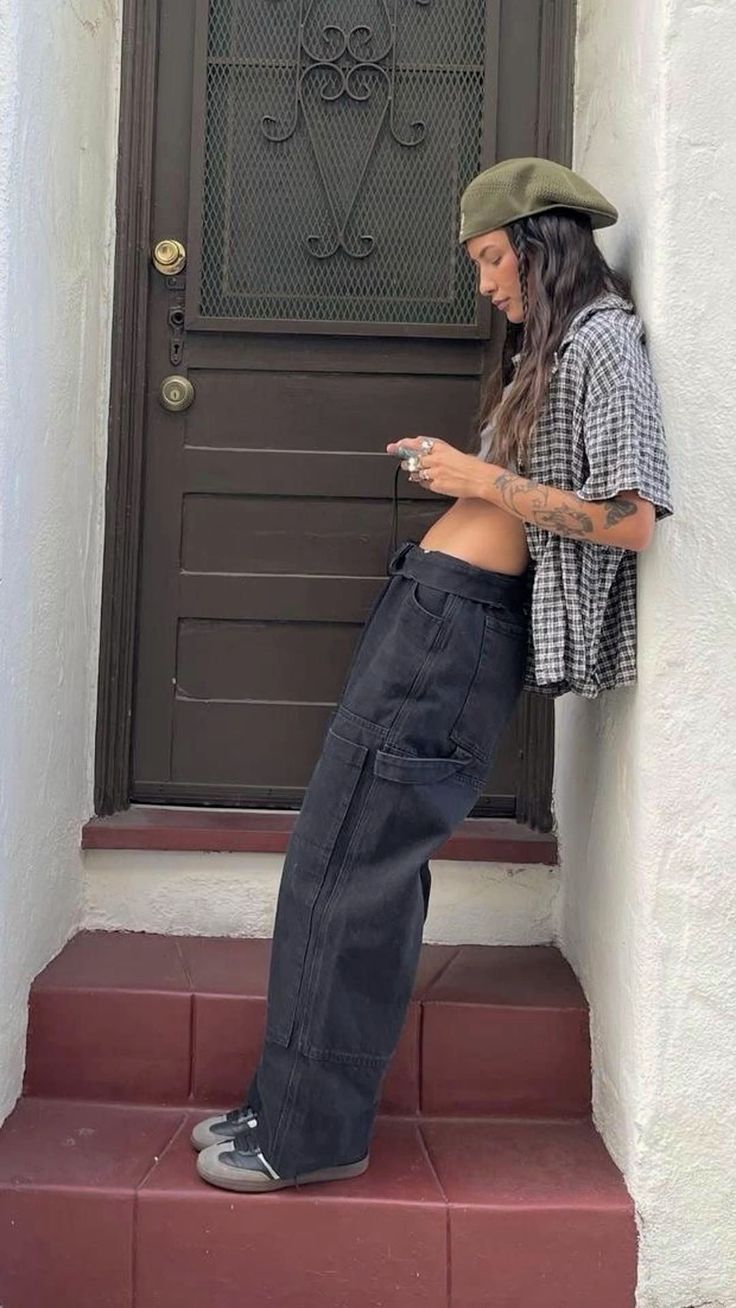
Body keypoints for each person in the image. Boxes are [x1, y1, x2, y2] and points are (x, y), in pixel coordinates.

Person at [192, 157, 673, 1193]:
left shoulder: (603, 343)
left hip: (457, 643)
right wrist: (467, 474)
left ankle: (311, 1136)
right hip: (427, 616)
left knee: (351, 876)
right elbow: (515, 499)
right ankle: (287, 1097)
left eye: (493, 259)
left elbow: (630, 518)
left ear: (541, 246)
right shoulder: (550, 348)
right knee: (330, 862)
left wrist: (477, 477)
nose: (487, 285)